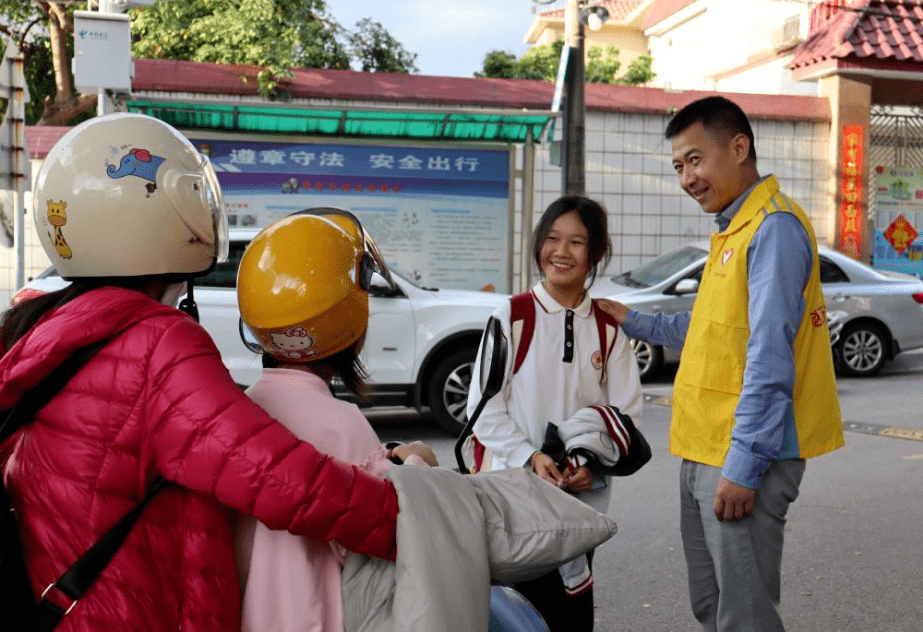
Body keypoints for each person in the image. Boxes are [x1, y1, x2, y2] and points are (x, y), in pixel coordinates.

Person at [0, 113, 399, 632]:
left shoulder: (39, 325)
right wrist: (410, 520)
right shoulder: (155, 344)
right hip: (133, 612)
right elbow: (282, 481)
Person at [596, 95, 845, 632]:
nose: (687, 178)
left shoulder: (772, 229)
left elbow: (769, 355)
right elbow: (707, 328)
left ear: (739, 147)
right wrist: (630, 319)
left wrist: (745, 463)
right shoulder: (734, 229)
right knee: (712, 606)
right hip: (707, 448)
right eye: (678, 166)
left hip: (743, 455)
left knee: (744, 616)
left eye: (695, 159)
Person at [232, 208, 437, 632]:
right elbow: (389, 525)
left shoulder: (239, 412)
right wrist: (417, 462)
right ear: (349, 321)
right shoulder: (343, 425)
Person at [465, 195, 646, 632]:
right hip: (511, 503)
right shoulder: (512, 315)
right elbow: (482, 409)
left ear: (596, 253)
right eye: (552, 238)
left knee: (567, 614)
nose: (561, 252)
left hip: (576, 508)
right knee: (510, 613)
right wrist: (531, 456)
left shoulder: (607, 329)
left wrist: (592, 468)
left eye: (577, 242)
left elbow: (627, 416)